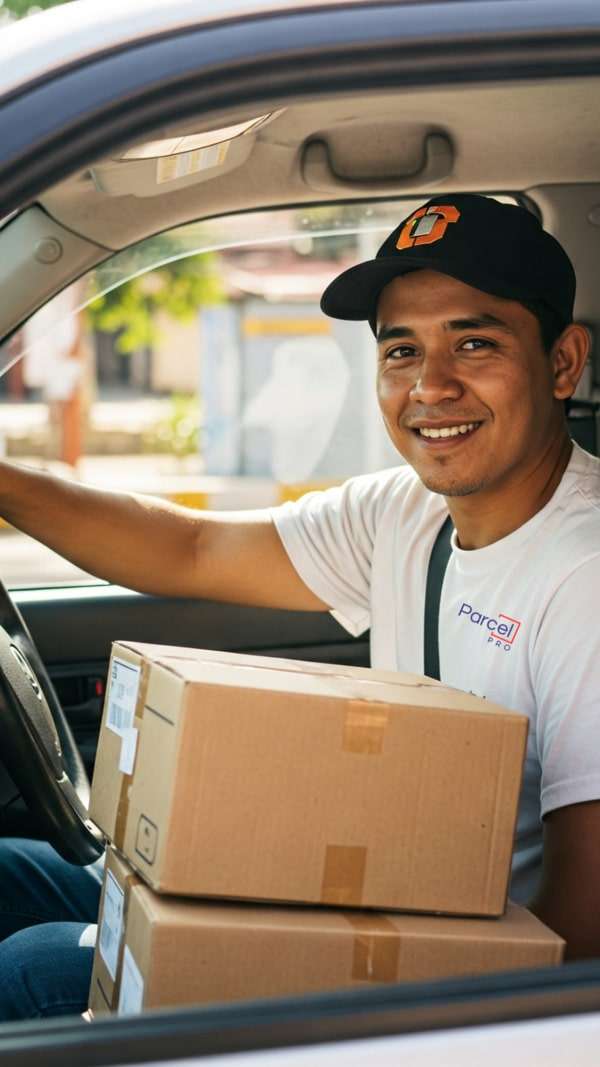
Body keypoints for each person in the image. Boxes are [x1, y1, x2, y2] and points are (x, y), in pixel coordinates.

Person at [0, 193, 599, 1020]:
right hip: (378, 892)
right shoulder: (406, 512)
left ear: (563, 362)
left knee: (29, 970)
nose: (432, 385)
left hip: (440, 975)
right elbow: (193, 548)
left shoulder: (586, 575)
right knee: (8, 874)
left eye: (475, 342)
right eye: (401, 350)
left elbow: (581, 941)